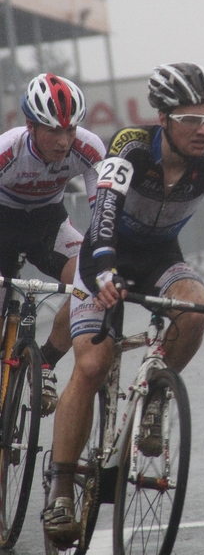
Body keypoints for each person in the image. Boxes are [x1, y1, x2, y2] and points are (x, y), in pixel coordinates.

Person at [42, 62, 204, 548]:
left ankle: (156, 398)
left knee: (197, 303)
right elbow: (101, 217)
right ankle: (60, 487)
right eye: (191, 120)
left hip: (162, 257)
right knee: (94, 362)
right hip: (105, 255)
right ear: (164, 118)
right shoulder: (130, 147)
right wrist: (101, 272)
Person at [0, 73, 105, 416]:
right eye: (53, 131)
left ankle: (44, 362)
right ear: (30, 125)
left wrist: (105, 258)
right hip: (3, 223)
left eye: (70, 130)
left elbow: (102, 210)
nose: (64, 141)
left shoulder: (88, 148)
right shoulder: (8, 149)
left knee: (88, 278)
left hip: (48, 223)